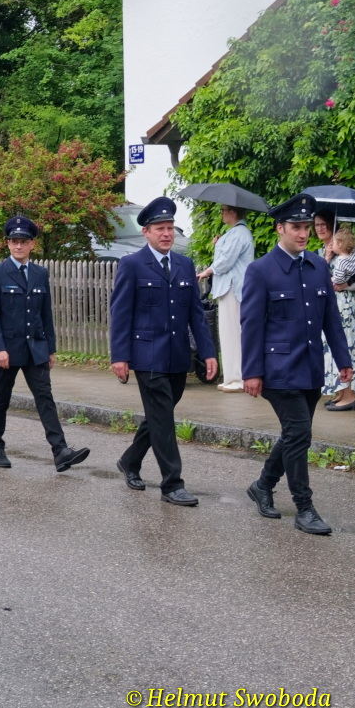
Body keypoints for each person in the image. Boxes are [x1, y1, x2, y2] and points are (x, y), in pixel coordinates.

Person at [241, 193, 352, 535]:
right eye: (296, 228)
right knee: (299, 433)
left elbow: (331, 319)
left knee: (295, 434)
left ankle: (262, 485)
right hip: (277, 370)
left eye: (307, 227)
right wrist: (252, 372)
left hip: (310, 368)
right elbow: (252, 325)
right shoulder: (261, 270)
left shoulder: (318, 266)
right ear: (280, 229)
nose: (303, 233)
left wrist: (344, 360)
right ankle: (304, 507)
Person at [109, 196, 216, 507]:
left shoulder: (184, 264)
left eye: (170, 228)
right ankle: (172, 483)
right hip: (147, 355)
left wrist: (208, 352)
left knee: (160, 414)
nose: (167, 234)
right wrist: (119, 356)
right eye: (160, 228)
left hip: (177, 355)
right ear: (146, 232)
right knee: (164, 420)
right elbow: (121, 314)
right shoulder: (132, 265)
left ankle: (130, 460)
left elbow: (196, 313)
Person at [0, 215, 89, 471]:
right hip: (8, 349)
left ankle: (60, 451)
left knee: (45, 398)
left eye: (23, 241)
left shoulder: (40, 273)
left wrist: (50, 348)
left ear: (32, 244)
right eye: (14, 241)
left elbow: (45, 313)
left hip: (36, 348)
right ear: (8, 244)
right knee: (1, 398)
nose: (18, 246)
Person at [196, 205, 254, 392]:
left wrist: (208, 271)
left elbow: (226, 261)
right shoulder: (236, 233)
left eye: (224, 210)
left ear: (233, 212)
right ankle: (231, 377)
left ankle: (238, 378)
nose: (221, 213)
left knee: (233, 333)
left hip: (233, 287)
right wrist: (219, 243)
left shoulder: (239, 233)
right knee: (228, 333)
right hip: (230, 287)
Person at [323, 225, 355, 411]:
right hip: (338, 304)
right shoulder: (334, 255)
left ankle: (349, 396)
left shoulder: (350, 257)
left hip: (345, 306)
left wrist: (344, 285)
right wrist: (327, 257)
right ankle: (341, 392)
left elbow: (341, 280)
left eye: (323, 224)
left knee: (345, 345)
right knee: (337, 347)